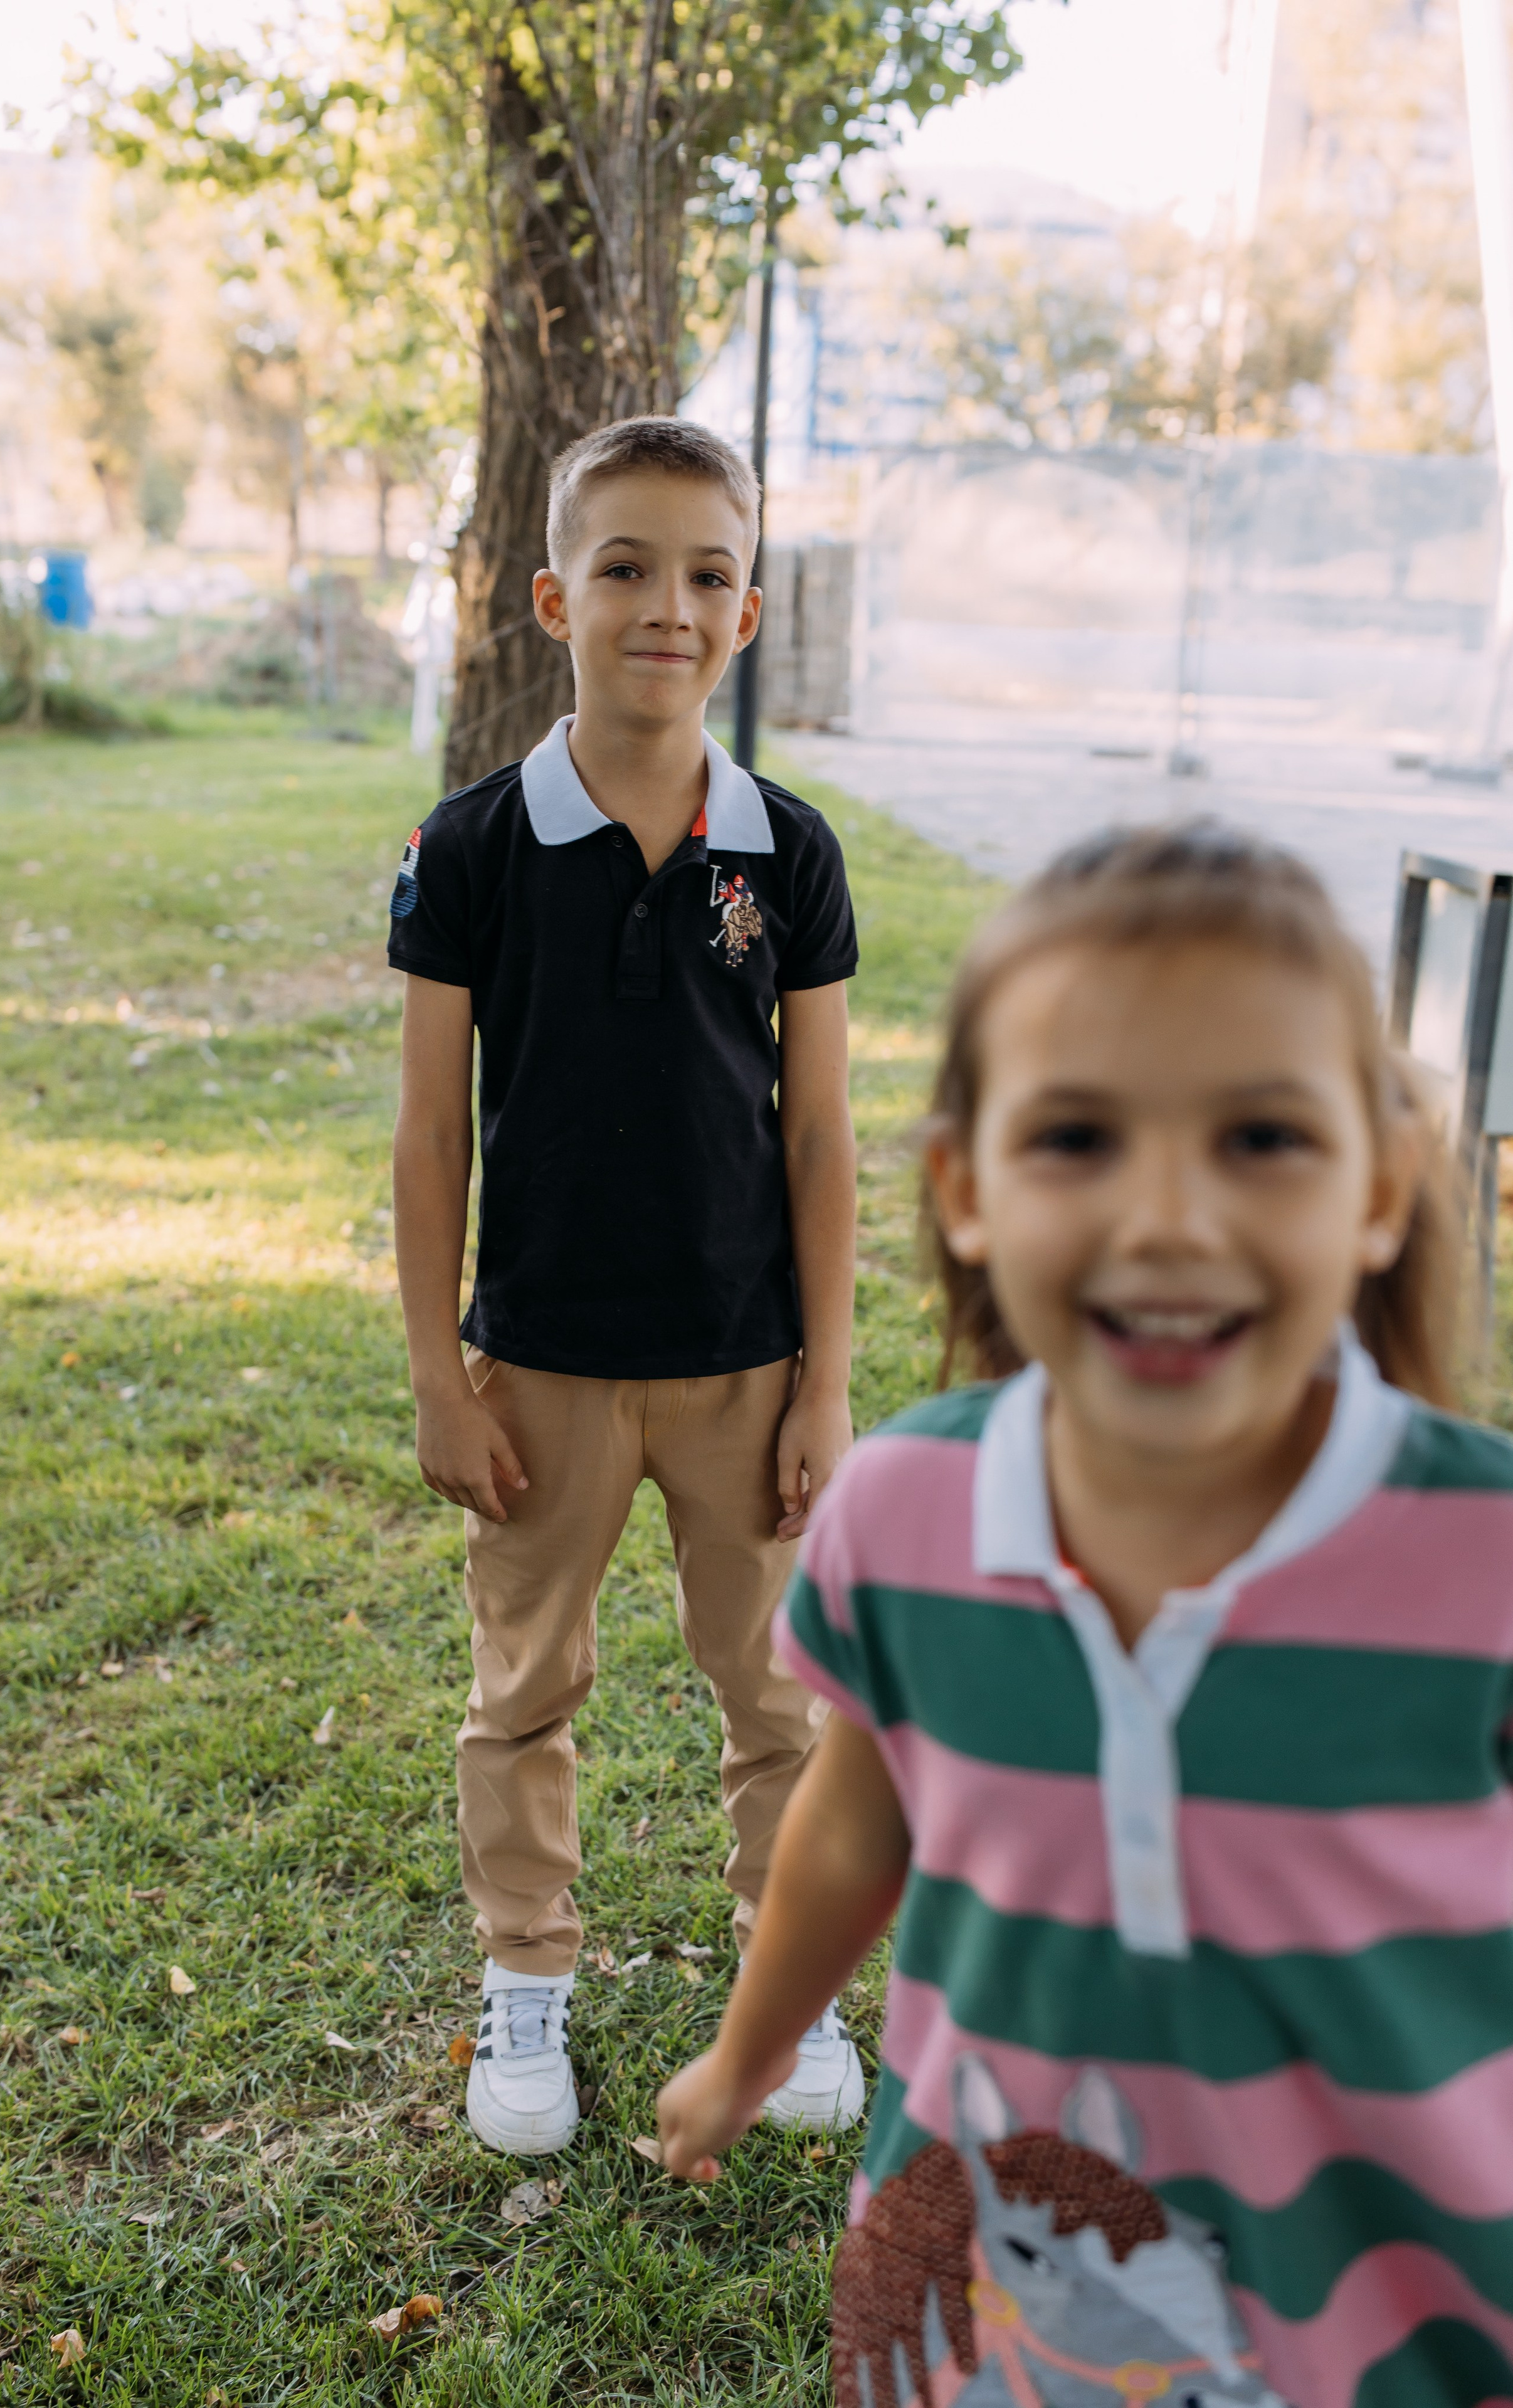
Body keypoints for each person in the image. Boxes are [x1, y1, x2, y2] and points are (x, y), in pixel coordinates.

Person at [657, 823, 1513, 2407]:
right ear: (965, 1190)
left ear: (1380, 1187)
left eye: (1259, 1137)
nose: (1166, 1219)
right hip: (994, 2315)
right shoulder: (903, 1513)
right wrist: (749, 2055)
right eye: (1076, 1140)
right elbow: (854, 1827)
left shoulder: (1480, 1552)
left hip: (1396, 2317)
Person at [389, 415, 865, 2158]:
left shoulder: (787, 852)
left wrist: (823, 1381)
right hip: (543, 1365)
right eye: (626, 567)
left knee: (780, 1702)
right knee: (525, 1690)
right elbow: (433, 1133)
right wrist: (443, 1372)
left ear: (747, 615)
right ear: (550, 599)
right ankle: (528, 1982)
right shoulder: (471, 847)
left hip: (745, 1362)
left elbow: (819, 1140)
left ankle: (786, 1989)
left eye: (708, 573)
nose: (668, 603)